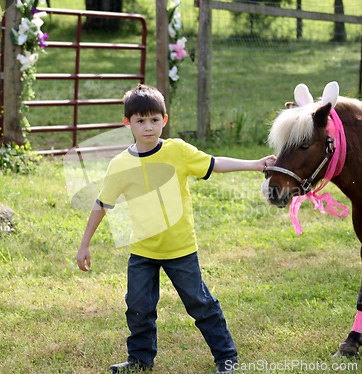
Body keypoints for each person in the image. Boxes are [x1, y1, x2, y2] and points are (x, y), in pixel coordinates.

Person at [76, 84, 276, 373]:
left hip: (180, 248)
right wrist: (85, 244)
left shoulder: (178, 151)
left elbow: (214, 164)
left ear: (164, 120)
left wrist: (255, 164)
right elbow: (102, 204)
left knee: (201, 304)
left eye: (154, 120)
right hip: (143, 251)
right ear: (127, 123)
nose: (148, 127)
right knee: (138, 307)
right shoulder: (120, 165)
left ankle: (226, 358)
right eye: (140, 121)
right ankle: (140, 360)